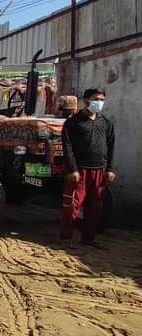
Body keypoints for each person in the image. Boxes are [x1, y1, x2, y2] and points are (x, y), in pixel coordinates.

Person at [60, 88, 116, 248]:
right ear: (86, 101)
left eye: (102, 99)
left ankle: (89, 238)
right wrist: (72, 169)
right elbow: (67, 147)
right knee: (72, 205)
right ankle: (65, 238)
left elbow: (111, 147)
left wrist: (110, 169)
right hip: (79, 171)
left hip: (99, 171)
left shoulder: (106, 123)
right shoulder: (73, 123)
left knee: (95, 207)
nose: (99, 102)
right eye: (96, 99)